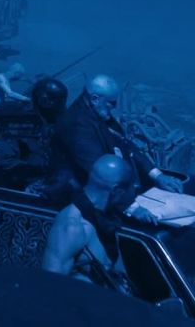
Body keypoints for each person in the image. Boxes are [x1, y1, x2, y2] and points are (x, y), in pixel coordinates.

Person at [52, 74, 183, 201]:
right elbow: (101, 174)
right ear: (95, 99)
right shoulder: (76, 126)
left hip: (121, 188)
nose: (114, 107)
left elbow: (125, 143)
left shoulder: (97, 111)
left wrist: (157, 175)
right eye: (111, 103)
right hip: (92, 197)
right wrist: (132, 206)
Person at [43, 154, 145, 293]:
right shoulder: (73, 227)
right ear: (116, 191)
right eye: (131, 188)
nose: (133, 193)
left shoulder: (107, 213)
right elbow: (50, 286)